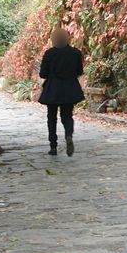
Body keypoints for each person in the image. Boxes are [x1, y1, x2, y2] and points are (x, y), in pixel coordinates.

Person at [38, 27, 84, 156]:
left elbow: (43, 74)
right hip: (69, 89)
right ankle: (68, 135)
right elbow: (79, 72)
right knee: (67, 116)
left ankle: (53, 146)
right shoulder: (76, 53)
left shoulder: (49, 54)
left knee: (51, 118)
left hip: (53, 89)